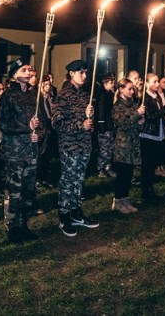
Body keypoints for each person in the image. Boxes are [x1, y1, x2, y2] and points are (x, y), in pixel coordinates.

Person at [0, 59, 44, 243]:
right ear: (14, 75)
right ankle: (12, 227)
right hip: (14, 152)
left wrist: (38, 134)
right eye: (23, 70)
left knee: (27, 190)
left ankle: (23, 224)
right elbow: (3, 123)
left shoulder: (34, 96)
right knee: (14, 191)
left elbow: (41, 122)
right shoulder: (7, 96)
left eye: (29, 70)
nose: (28, 72)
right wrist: (27, 127)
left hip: (31, 151)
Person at [52, 60, 98, 237]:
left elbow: (88, 123)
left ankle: (76, 212)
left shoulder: (85, 95)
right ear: (71, 73)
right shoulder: (63, 96)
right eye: (81, 73)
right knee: (68, 181)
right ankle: (64, 216)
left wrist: (89, 122)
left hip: (84, 145)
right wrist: (81, 125)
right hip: (70, 146)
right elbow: (57, 123)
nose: (84, 76)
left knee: (78, 180)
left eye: (86, 72)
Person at [111, 79, 145, 213]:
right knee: (122, 174)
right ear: (121, 89)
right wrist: (138, 114)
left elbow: (134, 124)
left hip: (132, 144)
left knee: (129, 174)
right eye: (129, 89)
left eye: (132, 89)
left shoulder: (132, 104)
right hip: (123, 145)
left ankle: (126, 200)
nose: (132, 91)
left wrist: (140, 122)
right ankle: (118, 201)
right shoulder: (118, 106)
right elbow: (122, 124)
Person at [139, 73, 165, 202]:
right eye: (153, 82)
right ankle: (145, 192)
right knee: (147, 165)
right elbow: (151, 117)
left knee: (153, 164)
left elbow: (160, 116)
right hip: (148, 135)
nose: (157, 84)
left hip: (158, 134)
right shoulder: (145, 98)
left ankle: (150, 189)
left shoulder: (157, 96)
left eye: (157, 81)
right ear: (147, 83)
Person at [95, 74, 115, 178]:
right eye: (111, 83)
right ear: (105, 84)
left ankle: (108, 166)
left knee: (110, 148)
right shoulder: (103, 95)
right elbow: (101, 111)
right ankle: (100, 168)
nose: (113, 85)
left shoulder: (110, 94)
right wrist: (101, 125)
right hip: (104, 126)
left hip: (110, 125)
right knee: (104, 148)